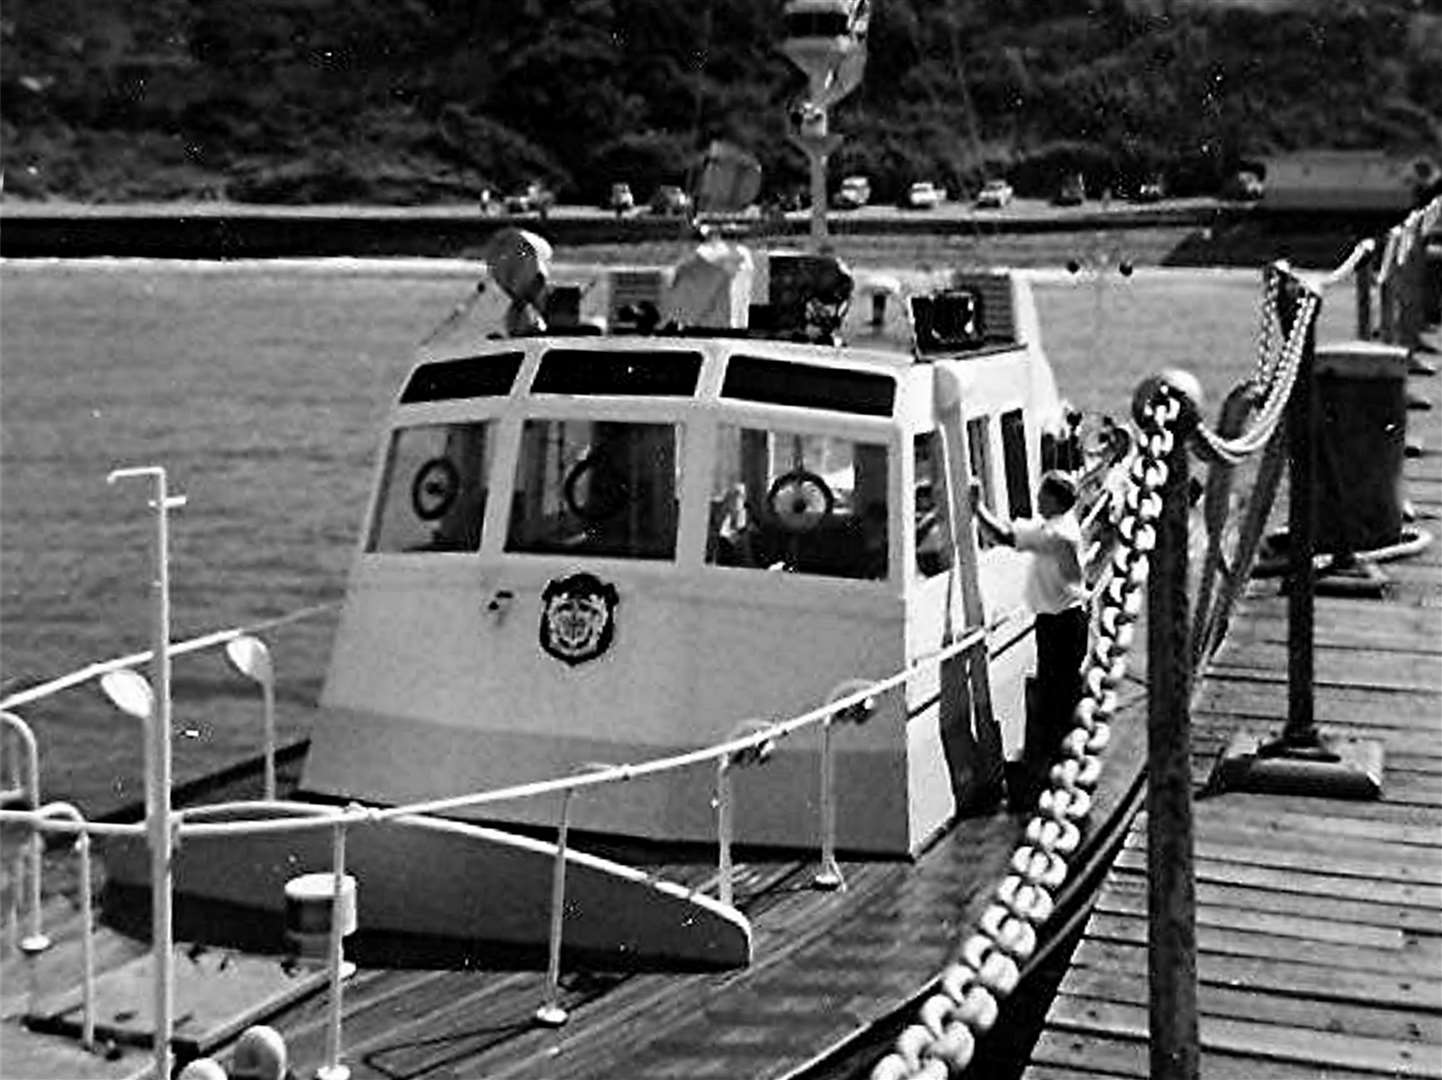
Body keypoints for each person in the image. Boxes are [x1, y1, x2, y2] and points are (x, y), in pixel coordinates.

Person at [970, 470, 1089, 810]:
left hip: (1061, 624)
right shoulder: (1061, 527)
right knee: (1057, 692)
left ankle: (1049, 774)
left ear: (1054, 499)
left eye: (1041, 495)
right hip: (1061, 619)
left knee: (1056, 695)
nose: (1037, 499)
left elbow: (1004, 535)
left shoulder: (1057, 534)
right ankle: (1050, 766)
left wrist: (976, 508)